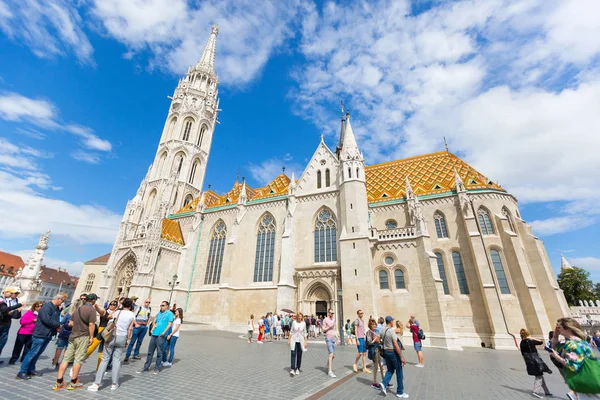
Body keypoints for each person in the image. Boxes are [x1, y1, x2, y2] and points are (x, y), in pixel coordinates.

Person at [53, 293, 100, 390]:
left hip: (73, 336)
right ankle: (73, 382)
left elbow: (71, 323)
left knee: (66, 359)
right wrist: (91, 337)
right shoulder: (92, 310)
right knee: (78, 359)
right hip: (83, 337)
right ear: (93, 300)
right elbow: (92, 325)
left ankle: (59, 382)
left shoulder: (78, 309)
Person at [88, 298, 135, 391]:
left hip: (111, 337)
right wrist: (128, 339)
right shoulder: (132, 315)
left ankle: (97, 384)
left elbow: (109, 317)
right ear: (130, 306)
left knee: (105, 359)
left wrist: (117, 308)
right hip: (122, 337)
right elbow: (130, 328)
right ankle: (114, 384)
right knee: (117, 360)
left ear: (123, 305)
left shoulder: (117, 312)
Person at [17, 293, 67, 380]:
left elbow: (55, 319)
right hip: (40, 333)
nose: (62, 303)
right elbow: (47, 320)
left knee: (38, 353)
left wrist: (58, 325)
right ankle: (22, 371)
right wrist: (58, 326)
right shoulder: (47, 307)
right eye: (62, 301)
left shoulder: (55, 308)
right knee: (32, 353)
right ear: (58, 299)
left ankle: (31, 369)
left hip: (48, 334)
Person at [551, 318, 600, 400]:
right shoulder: (576, 341)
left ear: (568, 328)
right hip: (586, 380)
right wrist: (555, 335)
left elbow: (573, 366)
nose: (557, 329)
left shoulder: (573, 344)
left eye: (559, 327)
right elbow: (556, 347)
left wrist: (557, 357)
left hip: (584, 380)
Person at [138, 300, 173, 374]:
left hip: (161, 335)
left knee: (159, 352)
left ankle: (157, 368)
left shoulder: (169, 314)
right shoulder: (159, 313)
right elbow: (156, 322)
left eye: (163, 305)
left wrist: (164, 333)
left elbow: (169, 324)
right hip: (154, 334)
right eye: (161, 305)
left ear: (167, 306)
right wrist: (152, 329)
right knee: (150, 352)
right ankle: (146, 367)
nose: (161, 306)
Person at [379, 316, 408, 398]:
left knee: (390, 370)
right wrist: (401, 357)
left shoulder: (382, 330)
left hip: (386, 352)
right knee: (399, 372)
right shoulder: (391, 331)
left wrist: (384, 344)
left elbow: (378, 339)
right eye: (392, 321)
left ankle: (384, 384)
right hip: (393, 353)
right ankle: (400, 392)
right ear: (390, 321)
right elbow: (395, 344)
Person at [519, 328, 553, 398]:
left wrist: (526, 363)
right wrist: (531, 338)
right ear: (527, 334)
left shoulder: (521, 343)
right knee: (539, 375)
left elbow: (522, 354)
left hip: (529, 361)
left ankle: (547, 392)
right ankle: (536, 391)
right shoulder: (530, 341)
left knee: (540, 375)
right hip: (536, 361)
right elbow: (540, 342)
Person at [87, 300, 115, 369]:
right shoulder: (105, 311)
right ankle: (80, 360)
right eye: (111, 304)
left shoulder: (117, 313)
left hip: (108, 333)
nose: (112, 305)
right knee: (91, 347)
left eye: (114, 304)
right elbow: (100, 310)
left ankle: (98, 369)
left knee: (102, 351)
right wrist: (96, 307)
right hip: (101, 331)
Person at [0, 287, 24, 363]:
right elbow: (4, 310)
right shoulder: (2, 300)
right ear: (5, 292)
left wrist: (17, 311)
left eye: (16, 293)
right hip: (1, 322)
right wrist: (18, 306)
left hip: (7, 322)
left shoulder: (15, 301)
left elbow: (15, 316)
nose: (13, 295)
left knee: (3, 341)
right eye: (12, 293)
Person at [52, 300, 77, 368]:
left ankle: (54, 364)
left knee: (59, 348)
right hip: (72, 334)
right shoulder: (79, 315)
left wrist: (59, 328)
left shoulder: (68, 314)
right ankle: (63, 364)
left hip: (64, 333)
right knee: (67, 349)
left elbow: (62, 322)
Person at [366, 318, 385, 389]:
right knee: (375, 366)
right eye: (372, 324)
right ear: (370, 325)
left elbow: (379, 340)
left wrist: (379, 341)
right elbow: (369, 342)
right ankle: (374, 382)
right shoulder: (369, 332)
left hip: (378, 350)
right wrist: (375, 340)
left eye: (375, 324)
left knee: (381, 366)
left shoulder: (377, 331)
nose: (374, 325)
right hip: (373, 351)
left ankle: (384, 380)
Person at [289, 311, 307, 376]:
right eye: (298, 317)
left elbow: (305, 332)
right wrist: (289, 340)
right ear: (297, 317)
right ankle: (292, 369)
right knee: (293, 354)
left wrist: (306, 341)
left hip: (300, 341)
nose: (299, 318)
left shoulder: (303, 323)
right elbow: (291, 331)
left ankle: (297, 368)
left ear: (302, 317)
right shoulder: (294, 322)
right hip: (294, 340)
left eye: (300, 317)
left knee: (299, 355)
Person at [322, 308, 338, 378]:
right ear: (328, 313)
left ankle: (327, 366)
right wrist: (329, 327)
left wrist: (337, 338)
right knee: (331, 354)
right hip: (328, 338)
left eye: (333, 313)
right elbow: (323, 330)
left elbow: (334, 330)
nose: (332, 314)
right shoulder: (325, 320)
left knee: (333, 356)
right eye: (331, 313)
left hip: (333, 339)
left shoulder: (334, 319)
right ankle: (330, 371)